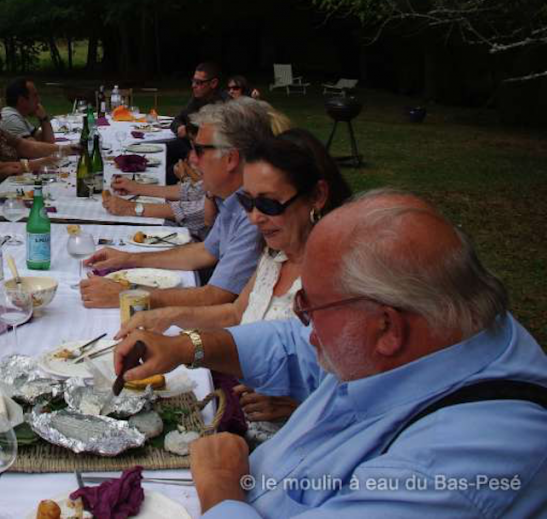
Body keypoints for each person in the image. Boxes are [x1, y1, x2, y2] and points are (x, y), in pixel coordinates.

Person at [113, 190, 547, 518]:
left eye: (310, 306)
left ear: (387, 327)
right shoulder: (438, 321)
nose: (301, 320)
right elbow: (292, 346)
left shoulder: (459, 461)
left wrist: (223, 490)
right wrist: (185, 346)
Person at [118, 129, 352, 446]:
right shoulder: (277, 253)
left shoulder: (343, 278)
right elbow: (235, 313)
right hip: (236, 412)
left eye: (269, 204)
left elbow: (366, 395)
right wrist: (166, 317)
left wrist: (301, 406)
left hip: (294, 444)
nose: (254, 218)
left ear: (317, 196)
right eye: (247, 201)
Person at [80, 98, 271, 309]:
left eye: (199, 150)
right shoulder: (232, 198)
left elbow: (216, 296)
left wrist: (127, 295)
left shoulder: (256, 212)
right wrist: (128, 258)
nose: (192, 159)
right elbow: (205, 252)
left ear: (231, 159)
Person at [0, 89, 74, 188]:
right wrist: (44, 162)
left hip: (15, 181)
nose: (1, 117)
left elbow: (26, 146)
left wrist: (65, 149)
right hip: (1, 187)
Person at [104, 174, 216, 241]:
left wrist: (131, 208)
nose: (193, 158)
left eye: (200, 151)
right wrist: (137, 187)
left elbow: (198, 212)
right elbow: (192, 191)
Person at [0, 78, 56, 143]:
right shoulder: (11, 118)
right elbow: (34, 149)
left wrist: (43, 118)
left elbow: (49, 140)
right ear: (22, 100)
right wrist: (67, 148)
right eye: (35, 96)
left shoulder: (18, 116)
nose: (39, 100)